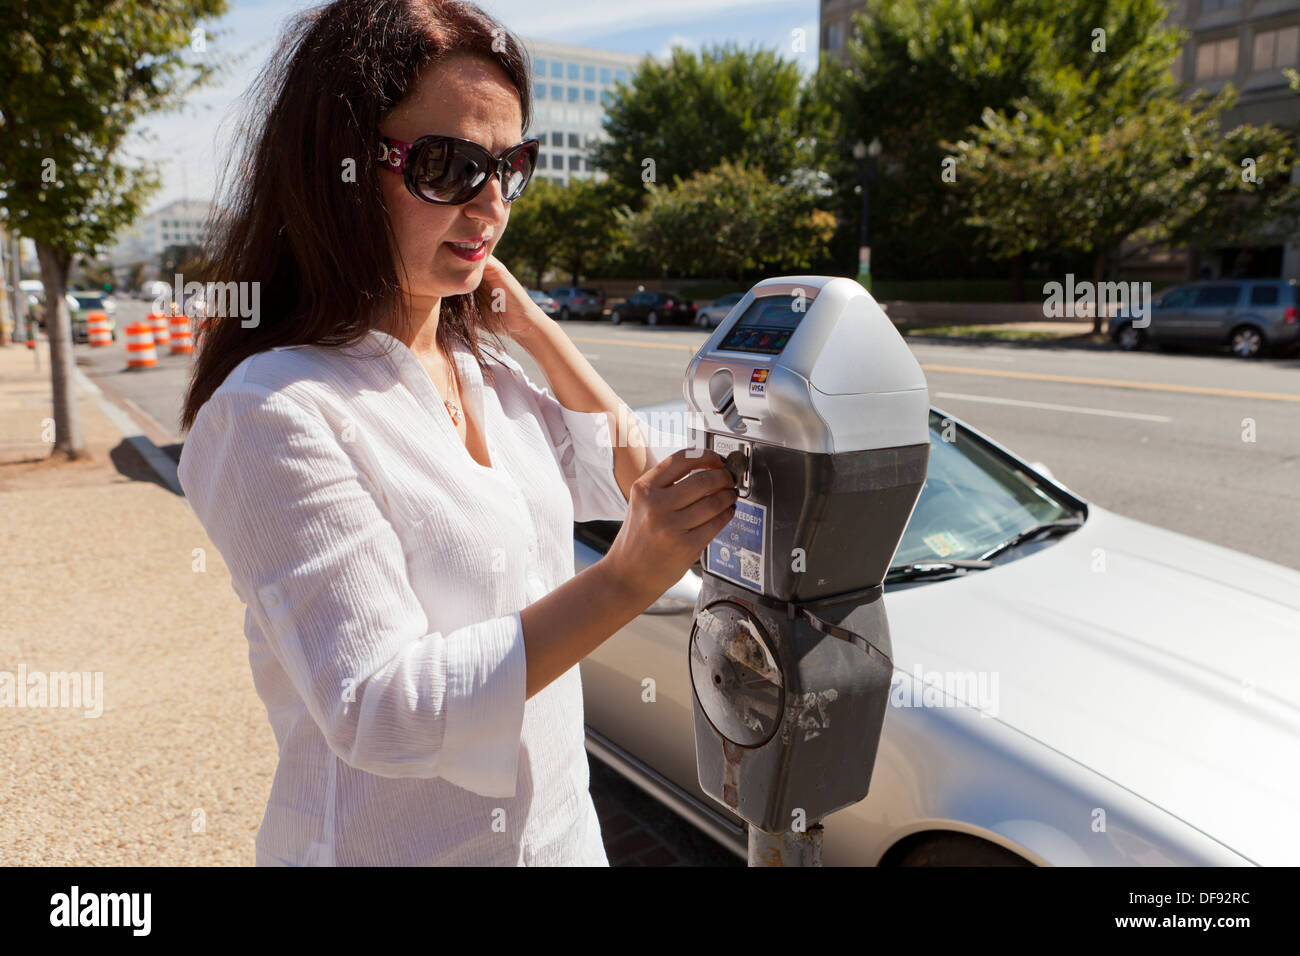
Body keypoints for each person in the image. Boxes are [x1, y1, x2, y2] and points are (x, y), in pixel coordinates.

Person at [176, 0, 738, 866]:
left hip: (561, 840)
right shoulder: (275, 411)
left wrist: (537, 331)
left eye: (510, 167)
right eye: (446, 164)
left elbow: (637, 480)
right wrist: (628, 578)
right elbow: (379, 709)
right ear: (340, 172)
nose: (490, 204)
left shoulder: (490, 374)